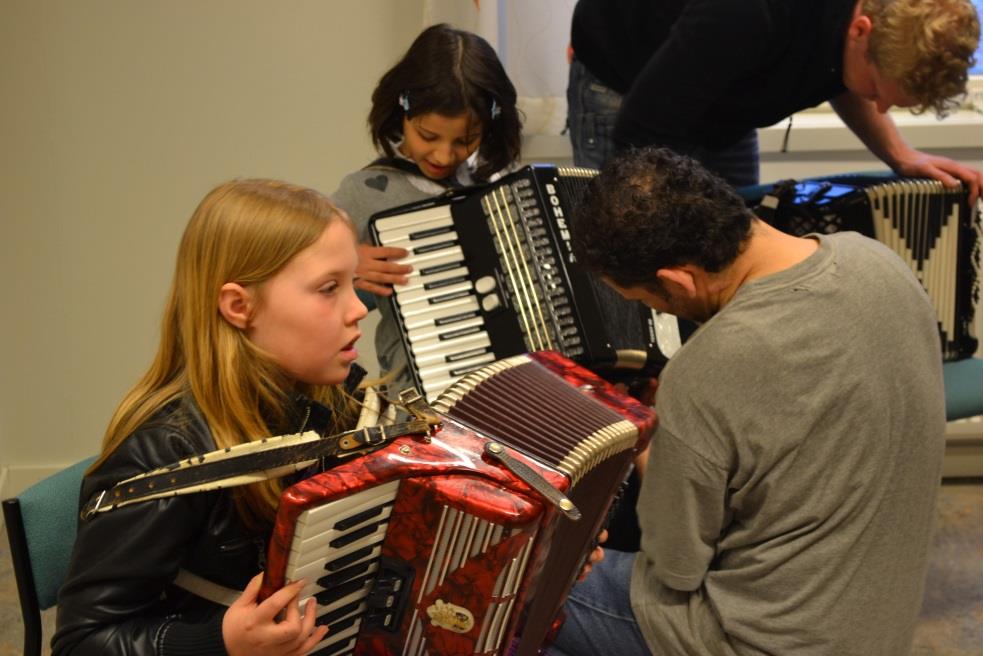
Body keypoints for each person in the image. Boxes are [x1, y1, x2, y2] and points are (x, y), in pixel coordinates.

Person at [549, 147, 946, 656]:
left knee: (525, 578)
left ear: (676, 280)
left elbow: (676, 566)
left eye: (641, 300)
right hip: (875, 622)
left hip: (758, 640)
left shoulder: (706, 369)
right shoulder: (877, 260)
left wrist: (652, 438)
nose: (644, 308)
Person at [53, 179, 369, 655]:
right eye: (329, 289)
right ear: (240, 307)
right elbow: (80, 643)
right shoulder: (165, 451)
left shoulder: (338, 402)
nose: (359, 309)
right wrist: (217, 641)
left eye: (354, 284)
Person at [567, 0, 983, 198]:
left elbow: (843, 76)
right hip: (627, 85)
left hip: (724, 98)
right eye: (876, 91)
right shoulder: (748, 13)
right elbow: (641, 133)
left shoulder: (874, 23)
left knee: (734, 254)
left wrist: (900, 155)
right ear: (860, 31)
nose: (879, 108)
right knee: (635, 268)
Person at [331, 23, 522, 392]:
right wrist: (346, 272)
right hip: (419, 393)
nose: (443, 154)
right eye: (428, 136)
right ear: (400, 109)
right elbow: (304, 290)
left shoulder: (500, 184)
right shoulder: (364, 193)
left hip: (509, 384)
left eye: (465, 140)